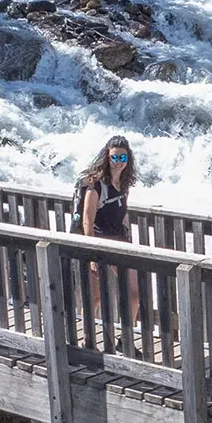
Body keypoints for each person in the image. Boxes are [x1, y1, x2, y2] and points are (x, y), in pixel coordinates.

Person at [77, 135, 141, 338]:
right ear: (107, 156)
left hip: (119, 242)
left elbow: (122, 211)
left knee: (134, 293)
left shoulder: (124, 182)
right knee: (94, 297)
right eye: (115, 157)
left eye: (123, 158)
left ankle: (126, 339)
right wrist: (91, 255)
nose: (119, 162)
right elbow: (87, 220)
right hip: (98, 243)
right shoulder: (95, 184)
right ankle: (88, 339)